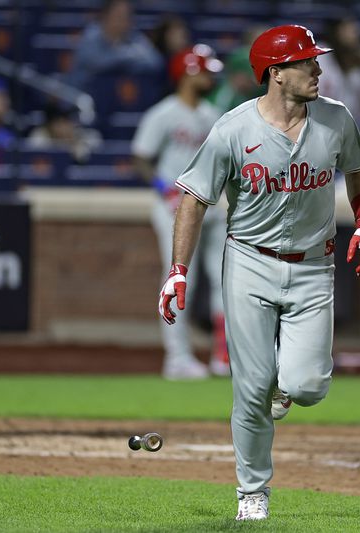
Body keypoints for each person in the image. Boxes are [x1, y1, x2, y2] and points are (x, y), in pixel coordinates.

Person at [157, 25, 360, 520]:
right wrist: (178, 270)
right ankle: (251, 493)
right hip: (249, 263)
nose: (317, 70)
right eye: (306, 62)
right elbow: (193, 198)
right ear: (276, 74)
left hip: (314, 266)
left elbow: (359, 170)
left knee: (308, 386)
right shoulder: (233, 129)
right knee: (250, 389)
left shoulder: (336, 119)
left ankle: (285, 385)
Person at [132, 44, 228, 379]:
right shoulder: (164, 113)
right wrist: (162, 187)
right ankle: (177, 358)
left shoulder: (211, 115)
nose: (210, 76)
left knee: (224, 278)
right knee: (179, 277)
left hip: (211, 205)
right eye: (204, 70)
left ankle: (223, 355)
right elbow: (142, 157)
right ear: (188, 73)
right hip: (175, 207)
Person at [66, 0, 164, 92]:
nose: (122, 20)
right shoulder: (90, 36)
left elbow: (155, 61)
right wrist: (128, 58)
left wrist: (121, 60)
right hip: (85, 96)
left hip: (117, 101)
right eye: (118, 15)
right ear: (105, 16)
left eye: (127, 16)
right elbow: (98, 62)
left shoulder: (133, 36)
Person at [27, 103, 103, 164]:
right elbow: (36, 152)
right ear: (49, 124)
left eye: (67, 121)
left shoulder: (81, 134)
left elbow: (97, 141)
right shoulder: (39, 135)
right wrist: (67, 146)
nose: (63, 127)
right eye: (59, 122)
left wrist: (77, 143)